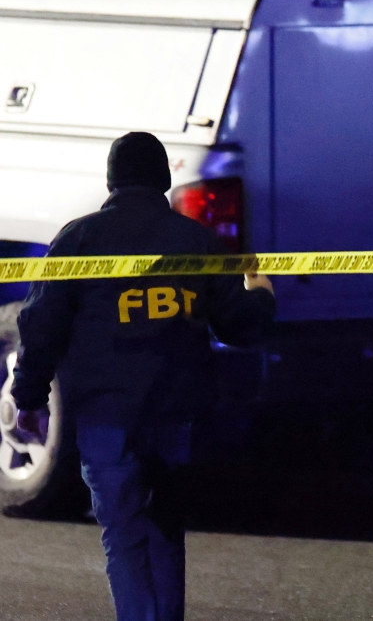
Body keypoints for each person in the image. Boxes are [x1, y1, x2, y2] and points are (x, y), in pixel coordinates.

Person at [10, 132, 276, 621]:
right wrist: (261, 292)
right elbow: (239, 326)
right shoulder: (196, 241)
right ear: (165, 179)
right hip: (176, 417)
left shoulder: (79, 240)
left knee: (125, 537)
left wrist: (28, 399)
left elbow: (41, 326)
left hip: (107, 418)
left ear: (111, 180)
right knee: (165, 532)